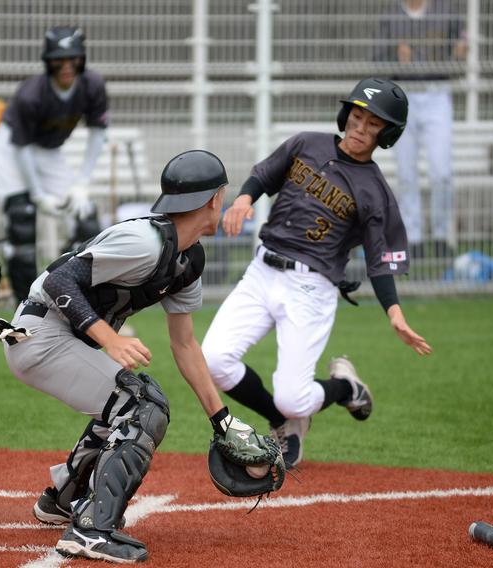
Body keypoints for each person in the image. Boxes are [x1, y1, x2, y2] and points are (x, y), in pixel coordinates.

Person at [0, 150, 272, 562]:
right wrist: (109, 338)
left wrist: (222, 418)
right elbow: (57, 281)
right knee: (142, 405)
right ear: (214, 199)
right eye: (222, 196)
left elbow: (185, 345)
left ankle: (62, 500)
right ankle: (91, 530)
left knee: (132, 401)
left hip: (62, 338)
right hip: (39, 334)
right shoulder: (145, 242)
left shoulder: (188, 258)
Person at [201, 78, 433, 468]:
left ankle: (344, 388)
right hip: (262, 271)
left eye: (373, 123)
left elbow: (379, 259)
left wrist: (394, 313)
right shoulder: (307, 143)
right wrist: (243, 200)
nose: (361, 127)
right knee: (213, 360)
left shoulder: (375, 191)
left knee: (293, 395)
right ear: (346, 115)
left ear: (387, 133)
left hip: (310, 289)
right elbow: (265, 175)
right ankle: (283, 423)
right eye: (357, 116)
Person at [0, 25, 109, 304]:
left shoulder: (92, 86)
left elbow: (98, 135)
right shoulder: (31, 94)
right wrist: (37, 194)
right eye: (59, 60)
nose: (66, 67)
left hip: (50, 152)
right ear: (47, 61)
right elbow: (22, 148)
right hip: (13, 149)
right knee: (22, 221)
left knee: (86, 221)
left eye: (73, 60)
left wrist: (81, 183)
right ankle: (27, 308)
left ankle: (84, 302)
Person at [377, 0, 468, 260]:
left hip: (437, 93)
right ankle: (412, 238)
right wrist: (395, 56)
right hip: (402, 94)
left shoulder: (446, 11)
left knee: (441, 172)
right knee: (406, 172)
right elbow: (376, 59)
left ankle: (441, 236)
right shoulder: (391, 15)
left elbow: (461, 47)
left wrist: (460, 52)